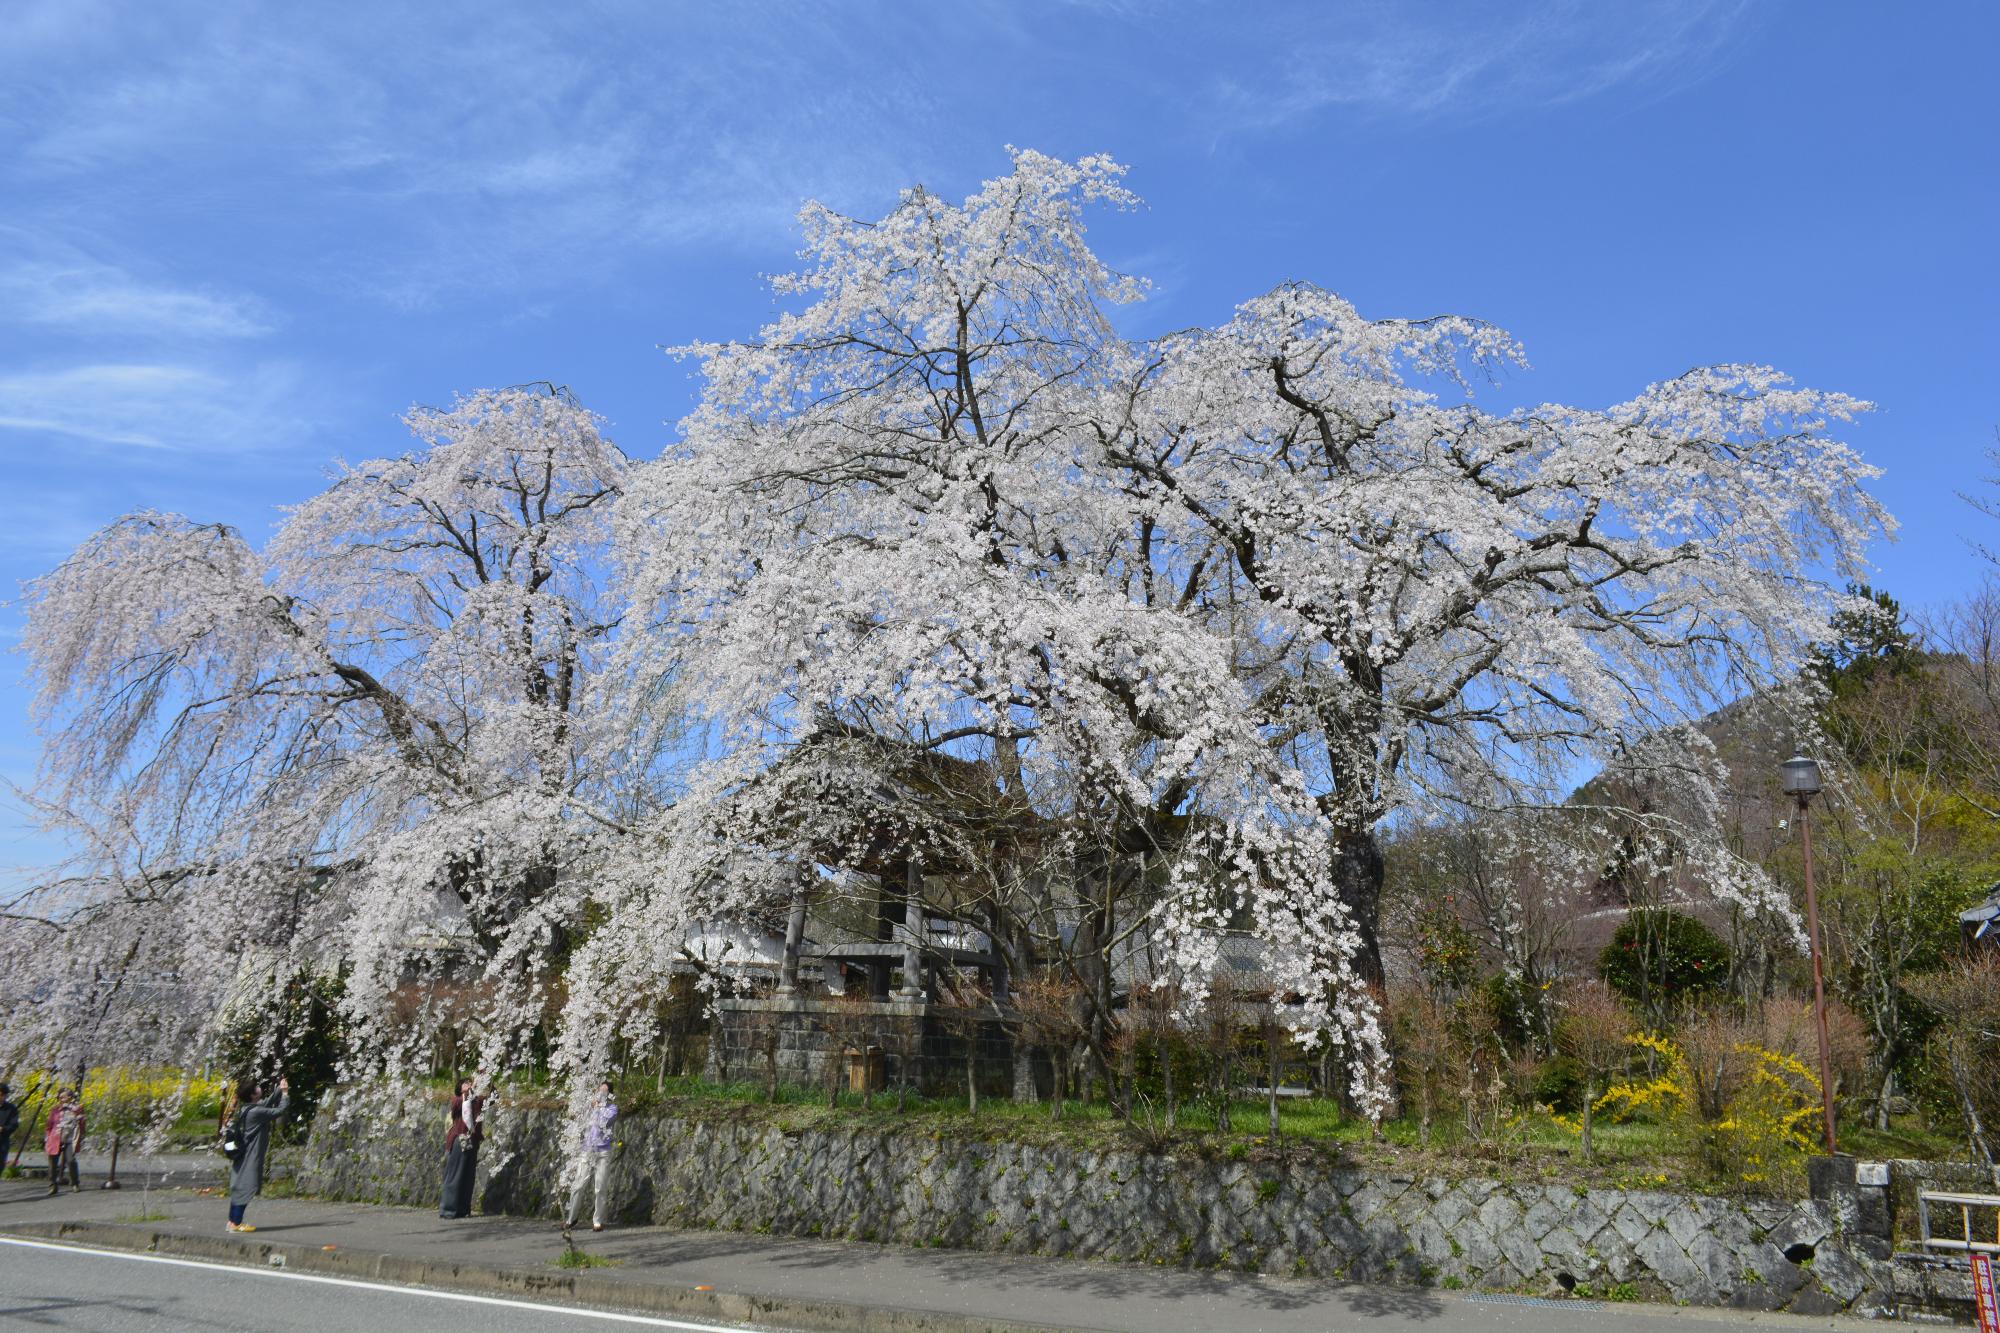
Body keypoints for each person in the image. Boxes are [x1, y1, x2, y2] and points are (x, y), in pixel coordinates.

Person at [225, 1076, 290, 1232]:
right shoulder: (256, 1112)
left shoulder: (246, 1108)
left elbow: (266, 1103)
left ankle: (232, 1221)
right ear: (253, 1095)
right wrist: (285, 1094)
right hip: (250, 1156)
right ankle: (236, 1223)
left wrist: (279, 1090)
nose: (260, 1088)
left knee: (239, 1186)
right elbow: (279, 1110)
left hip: (243, 1155)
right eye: (257, 1088)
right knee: (248, 1187)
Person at [563, 1080, 619, 1233]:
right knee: (579, 1184)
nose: (601, 1093)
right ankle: (571, 1218)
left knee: (600, 1187)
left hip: (603, 1151)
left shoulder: (612, 1108)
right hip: (587, 1150)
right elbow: (577, 1119)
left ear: (609, 1094)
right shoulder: (590, 1106)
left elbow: (604, 1123)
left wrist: (598, 1108)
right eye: (600, 1090)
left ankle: (597, 1221)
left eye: (605, 1091)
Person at [438, 1072, 487, 1220]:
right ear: (460, 1089)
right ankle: (449, 1209)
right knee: (455, 1175)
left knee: (468, 1176)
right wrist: (472, 1088)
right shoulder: (458, 1100)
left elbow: (493, 1098)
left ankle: (463, 1209)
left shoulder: (477, 1101)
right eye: (465, 1083)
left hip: (472, 1141)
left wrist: (489, 1080)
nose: (469, 1084)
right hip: (460, 1140)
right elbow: (460, 1104)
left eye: (469, 1082)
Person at [44, 1087, 83, 1195]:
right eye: (59, 1097)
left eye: (63, 1097)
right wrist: (47, 1138)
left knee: (71, 1161)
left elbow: (81, 1124)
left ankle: (75, 1183)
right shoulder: (55, 1110)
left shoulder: (76, 1109)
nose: (61, 1099)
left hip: (70, 1139)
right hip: (55, 1139)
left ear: (70, 1098)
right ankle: (52, 1185)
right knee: (52, 1163)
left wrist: (81, 1134)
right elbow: (49, 1125)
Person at [0, 1083, 18, 1174]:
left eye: (2, 1095)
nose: (1, 1097)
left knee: (0, 1165)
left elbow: (14, 1124)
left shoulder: (11, 1108)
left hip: (3, 1141)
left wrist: (3, 1129)